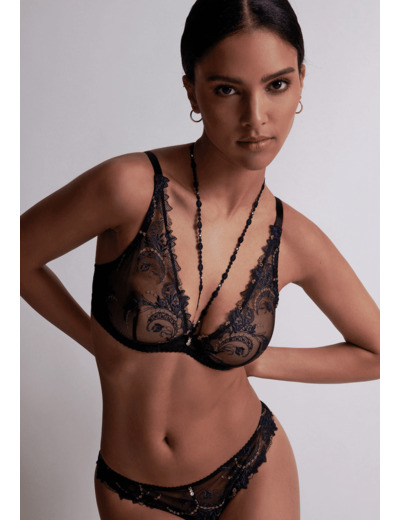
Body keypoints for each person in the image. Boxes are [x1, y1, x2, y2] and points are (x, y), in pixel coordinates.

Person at [20, 0, 380, 518]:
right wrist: (96, 340)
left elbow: (380, 352)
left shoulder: (295, 240)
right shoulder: (129, 188)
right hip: (134, 491)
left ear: (301, 82)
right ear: (192, 89)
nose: (256, 117)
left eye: (277, 85)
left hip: (253, 468)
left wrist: (258, 360)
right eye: (227, 89)